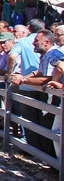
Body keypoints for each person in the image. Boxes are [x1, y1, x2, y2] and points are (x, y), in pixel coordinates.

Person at [8, 29, 59, 157]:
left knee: (50, 128)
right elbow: (40, 72)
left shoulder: (52, 55)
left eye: (36, 41)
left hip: (54, 96)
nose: (34, 44)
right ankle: (44, 156)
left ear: (46, 42)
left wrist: (24, 79)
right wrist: (25, 76)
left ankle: (52, 162)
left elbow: (48, 78)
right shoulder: (45, 55)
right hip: (50, 95)